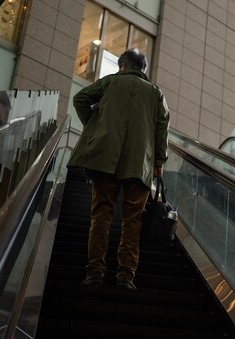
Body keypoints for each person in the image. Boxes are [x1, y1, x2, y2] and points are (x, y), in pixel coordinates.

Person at [68, 48, 170, 289]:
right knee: (132, 220)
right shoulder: (156, 93)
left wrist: (95, 126)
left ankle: (95, 272)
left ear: (122, 65)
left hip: (104, 158)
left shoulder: (111, 82)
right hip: (139, 163)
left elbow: (80, 98)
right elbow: (161, 129)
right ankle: (125, 275)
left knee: (101, 214)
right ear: (142, 69)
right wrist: (158, 162)